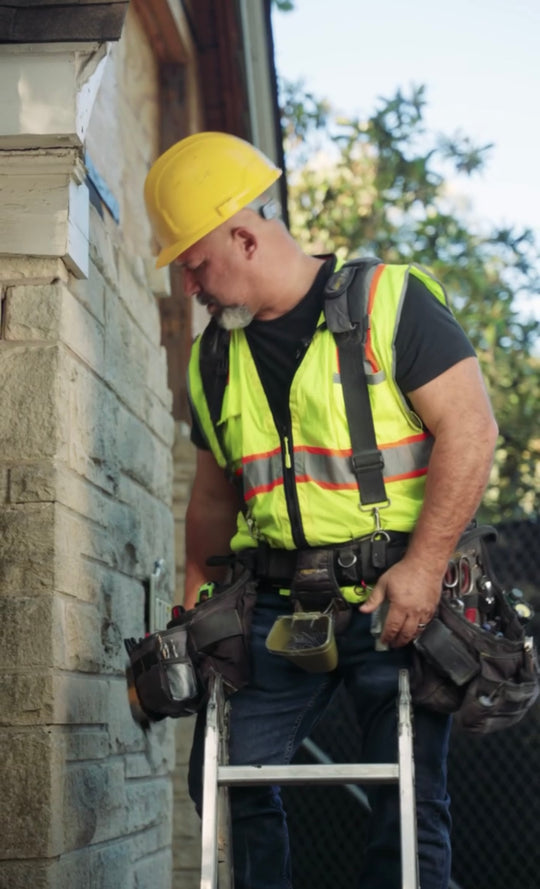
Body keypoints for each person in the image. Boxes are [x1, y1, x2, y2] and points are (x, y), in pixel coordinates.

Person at [144, 131, 498, 889]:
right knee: (224, 774)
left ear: (243, 235)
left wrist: (426, 566)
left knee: (407, 800)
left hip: (392, 595)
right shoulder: (213, 358)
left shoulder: (388, 302)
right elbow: (211, 498)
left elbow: (471, 428)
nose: (190, 287)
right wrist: (192, 604)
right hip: (273, 604)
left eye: (195, 264)